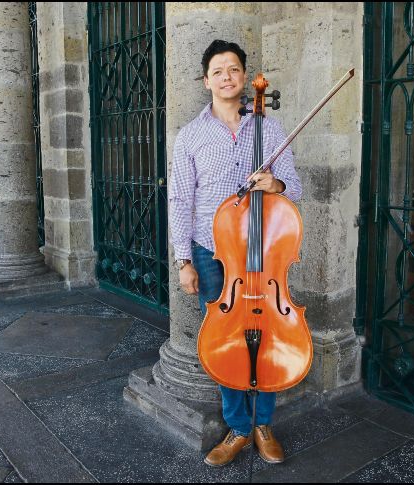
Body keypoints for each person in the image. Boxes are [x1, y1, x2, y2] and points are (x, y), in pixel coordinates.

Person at [168, 39, 303, 467]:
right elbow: (179, 200)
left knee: (269, 338)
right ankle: (239, 428)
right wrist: (182, 260)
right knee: (225, 339)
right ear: (206, 80)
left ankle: (263, 423)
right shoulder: (190, 135)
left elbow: (294, 187)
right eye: (218, 70)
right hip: (212, 252)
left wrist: (275, 186)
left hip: (265, 254)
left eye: (234, 69)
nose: (227, 76)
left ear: (245, 77)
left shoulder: (269, 128)